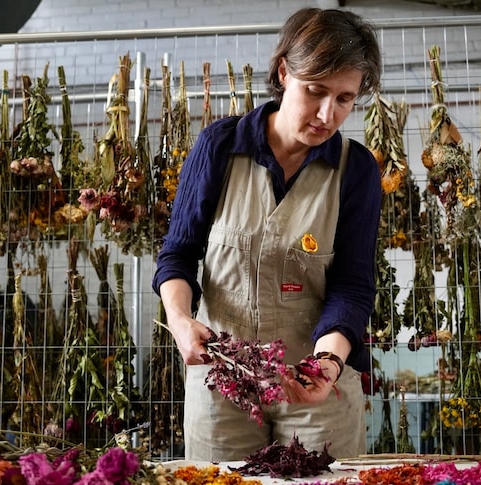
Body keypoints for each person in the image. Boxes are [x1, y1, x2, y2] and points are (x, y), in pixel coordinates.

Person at [152, 7, 382, 461]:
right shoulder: (220, 147)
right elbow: (178, 254)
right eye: (315, 91)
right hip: (223, 380)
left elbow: (352, 286)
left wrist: (329, 365)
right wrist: (180, 322)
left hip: (315, 388)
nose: (326, 113)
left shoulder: (355, 170)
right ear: (284, 72)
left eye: (344, 99)